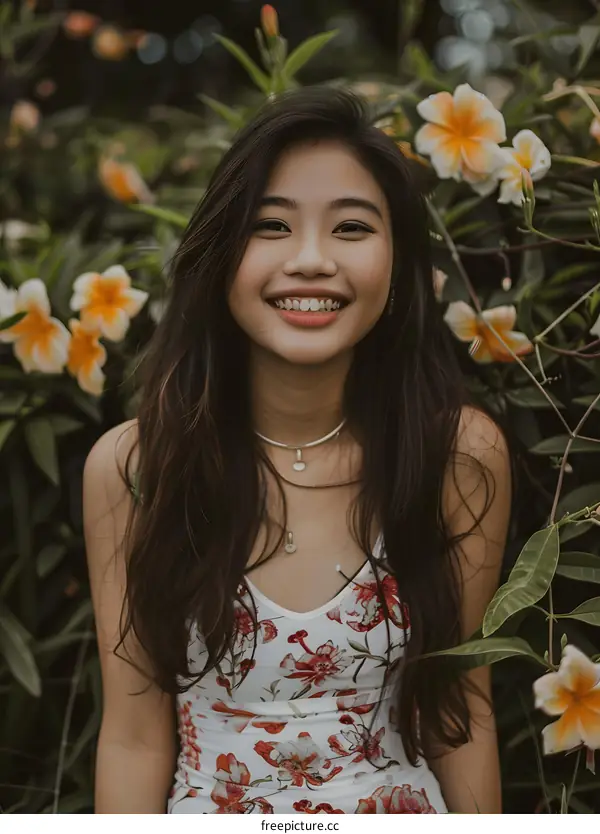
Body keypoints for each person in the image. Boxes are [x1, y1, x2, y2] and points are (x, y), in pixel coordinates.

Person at [83, 86, 511, 814]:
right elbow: (133, 740)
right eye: (271, 226)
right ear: (220, 255)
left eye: (351, 228)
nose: (311, 260)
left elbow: (459, 712)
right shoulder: (136, 468)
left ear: (397, 262)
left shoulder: (457, 455)